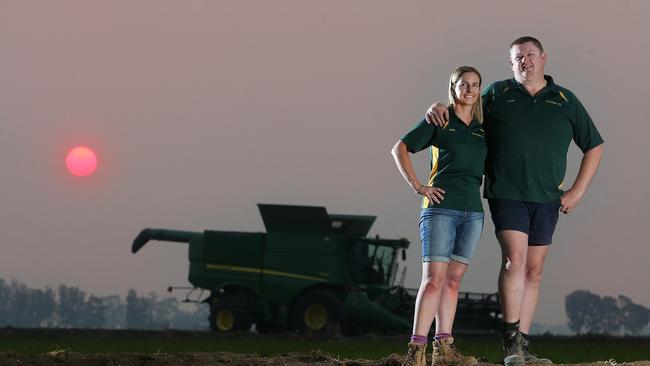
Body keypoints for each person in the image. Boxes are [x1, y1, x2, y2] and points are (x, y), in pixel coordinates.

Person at [425, 37, 604, 366]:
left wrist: (577, 191)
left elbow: (594, 145)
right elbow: (463, 108)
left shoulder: (565, 100)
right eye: (518, 57)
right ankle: (510, 343)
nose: (525, 61)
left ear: (544, 58)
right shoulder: (497, 93)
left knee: (534, 271)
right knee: (515, 260)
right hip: (506, 192)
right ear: (511, 64)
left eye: (530, 55)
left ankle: (523, 343)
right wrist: (440, 107)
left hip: (548, 197)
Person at [391, 66, 486, 366]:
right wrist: (419, 186)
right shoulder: (440, 119)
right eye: (463, 84)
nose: (469, 90)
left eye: (475, 85)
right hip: (440, 209)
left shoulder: (485, 128)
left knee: (453, 281)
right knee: (433, 280)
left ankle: (443, 348)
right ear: (453, 87)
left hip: (473, 212)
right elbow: (400, 148)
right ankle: (415, 350)